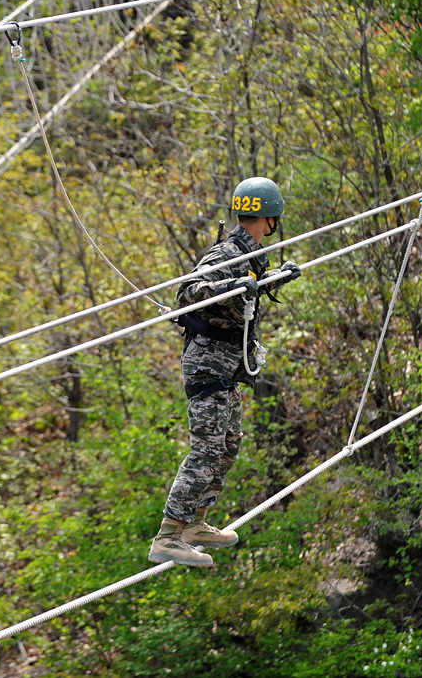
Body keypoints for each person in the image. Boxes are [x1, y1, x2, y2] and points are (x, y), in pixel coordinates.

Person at [149, 177, 303, 567]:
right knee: (206, 449)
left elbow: (243, 293)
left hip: (227, 369)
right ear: (269, 217)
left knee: (229, 445)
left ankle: (194, 524)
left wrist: (271, 280)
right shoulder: (227, 254)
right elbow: (188, 293)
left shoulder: (251, 255)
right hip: (207, 366)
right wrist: (233, 286)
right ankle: (168, 536)